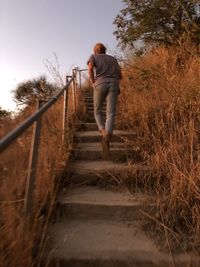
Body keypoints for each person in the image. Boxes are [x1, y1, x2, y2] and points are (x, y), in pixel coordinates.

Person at [87, 43, 122, 157]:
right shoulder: (113, 59)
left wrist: (92, 81)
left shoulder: (93, 56)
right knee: (111, 113)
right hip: (114, 84)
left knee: (97, 111)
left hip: (100, 84)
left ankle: (103, 132)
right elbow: (120, 75)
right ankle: (108, 136)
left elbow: (90, 68)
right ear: (105, 50)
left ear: (96, 50)